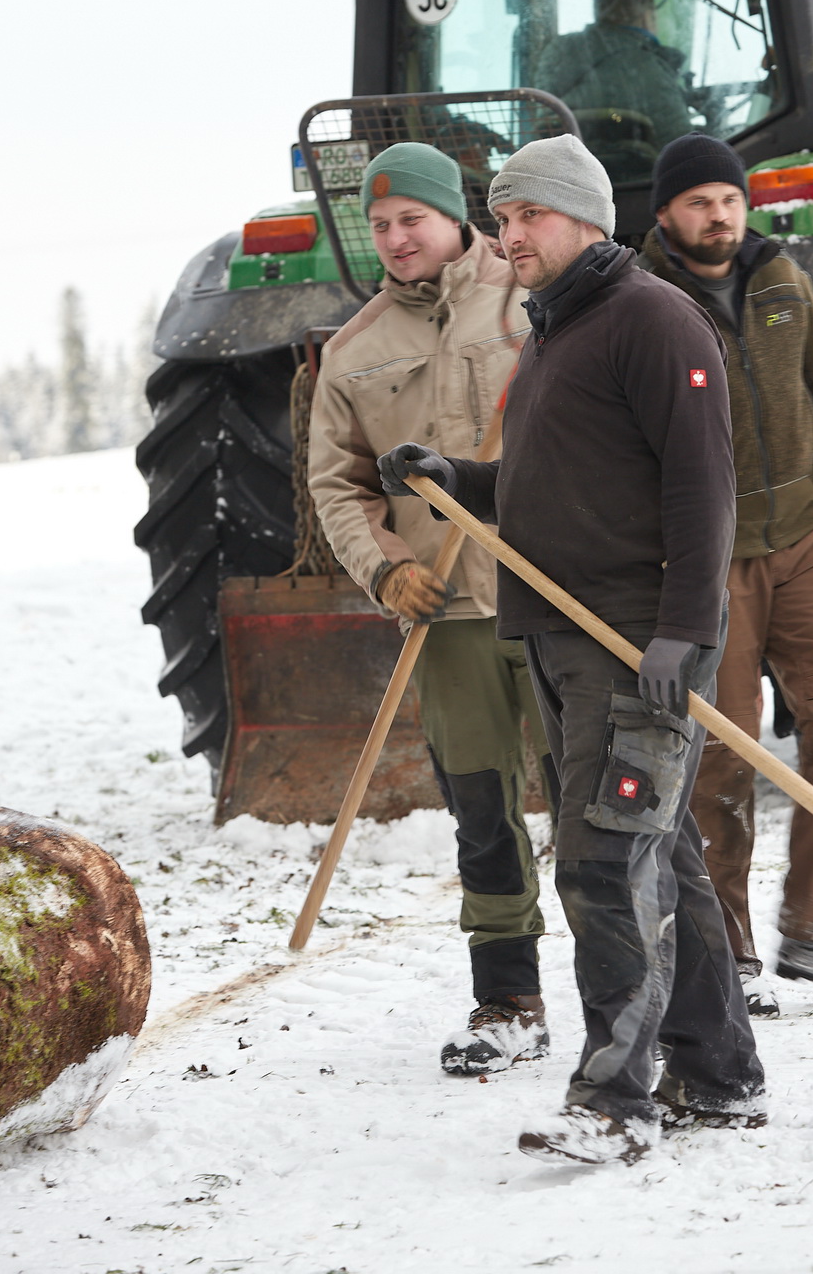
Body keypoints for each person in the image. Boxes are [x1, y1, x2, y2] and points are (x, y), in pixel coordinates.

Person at [379, 133, 765, 1167]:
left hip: (631, 642)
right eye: (500, 220)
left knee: (602, 864)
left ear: (586, 217)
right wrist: (457, 479)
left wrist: (684, 631)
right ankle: (719, 1076)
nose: (509, 237)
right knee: (658, 857)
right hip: (562, 636)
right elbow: (546, 490)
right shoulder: (556, 331)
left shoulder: (652, 319)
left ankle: (612, 1103)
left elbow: (702, 489)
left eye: (529, 217)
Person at [641, 133, 813, 1016]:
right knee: (720, 758)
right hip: (702, 554)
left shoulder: (783, 282)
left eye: (728, 200)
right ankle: (726, 953)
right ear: (664, 214)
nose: (717, 216)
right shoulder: (643, 303)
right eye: (698, 203)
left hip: (801, 536)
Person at [307, 141, 559, 1077]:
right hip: (448, 617)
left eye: (410, 218)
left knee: (597, 800)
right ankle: (509, 1001)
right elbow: (337, 486)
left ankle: (648, 981)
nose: (394, 238)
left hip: (560, 598)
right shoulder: (353, 350)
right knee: (481, 812)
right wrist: (386, 569)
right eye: (378, 225)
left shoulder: (538, 302)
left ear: (455, 216)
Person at [534, 0, 694, 167]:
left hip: (562, 171)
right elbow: (682, 144)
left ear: (600, 12)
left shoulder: (556, 52)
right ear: (646, 17)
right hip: (637, 176)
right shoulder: (647, 66)